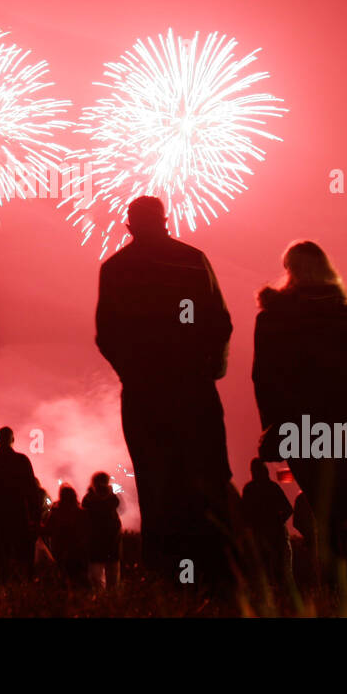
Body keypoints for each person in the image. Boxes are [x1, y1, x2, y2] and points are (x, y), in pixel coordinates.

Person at [95, 195, 235, 585]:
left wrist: (132, 373)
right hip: (194, 389)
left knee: (155, 482)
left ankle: (165, 577)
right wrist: (211, 371)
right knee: (206, 478)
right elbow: (221, 322)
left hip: (144, 394)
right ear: (166, 220)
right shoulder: (193, 259)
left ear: (128, 225)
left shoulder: (116, 269)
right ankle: (216, 576)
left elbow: (106, 334)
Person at [252, 241, 347, 601]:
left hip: (303, 431)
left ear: (289, 268)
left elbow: (263, 377)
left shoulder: (272, 316)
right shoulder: (342, 313)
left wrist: (273, 427)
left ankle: (338, 593)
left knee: (325, 512)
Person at [0, 427, 42, 582]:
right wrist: (36, 517)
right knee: (23, 560)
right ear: (13, 440)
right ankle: (25, 589)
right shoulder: (22, 461)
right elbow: (32, 491)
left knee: (1, 560)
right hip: (19, 516)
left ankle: (2, 589)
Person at [241, 457, 295, 601]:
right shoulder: (272, 487)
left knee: (262, 573)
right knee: (280, 573)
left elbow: (244, 515)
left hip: (259, 537)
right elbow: (289, 509)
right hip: (274, 536)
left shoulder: (249, 490)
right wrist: (277, 523)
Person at [42, 485, 89, 585]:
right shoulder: (82, 513)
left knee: (62, 578)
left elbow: (47, 530)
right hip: (78, 551)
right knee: (77, 578)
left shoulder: (56, 512)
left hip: (60, 550)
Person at [83, 472, 123, 589]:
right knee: (111, 579)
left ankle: (100, 601)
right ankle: (110, 601)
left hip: (98, 544)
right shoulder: (110, 498)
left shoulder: (89, 499)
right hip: (109, 544)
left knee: (97, 579)